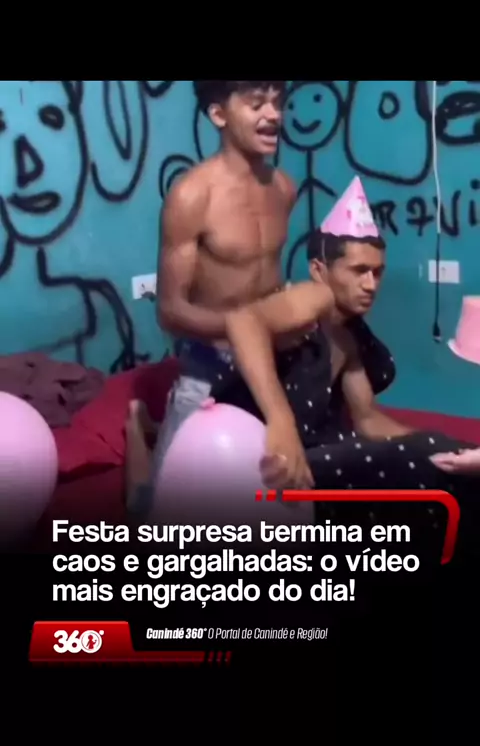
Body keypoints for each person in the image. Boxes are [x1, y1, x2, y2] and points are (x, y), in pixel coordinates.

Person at [126, 79, 335, 512]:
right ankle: (137, 428)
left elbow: (264, 278)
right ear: (219, 114)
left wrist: (281, 320)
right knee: (153, 518)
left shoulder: (284, 188)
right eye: (257, 104)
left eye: (277, 103)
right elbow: (170, 311)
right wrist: (249, 330)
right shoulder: (191, 196)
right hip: (210, 362)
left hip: (271, 362)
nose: (274, 115)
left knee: (284, 493)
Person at [224, 175, 479, 497]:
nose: (371, 285)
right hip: (263, 459)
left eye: (378, 272)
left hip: (316, 454)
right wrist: (282, 423)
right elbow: (242, 320)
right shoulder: (316, 297)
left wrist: (439, 445)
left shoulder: (349, 335)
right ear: (319, 270)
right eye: (359, 271)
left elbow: (367, 419)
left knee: (440, 457)